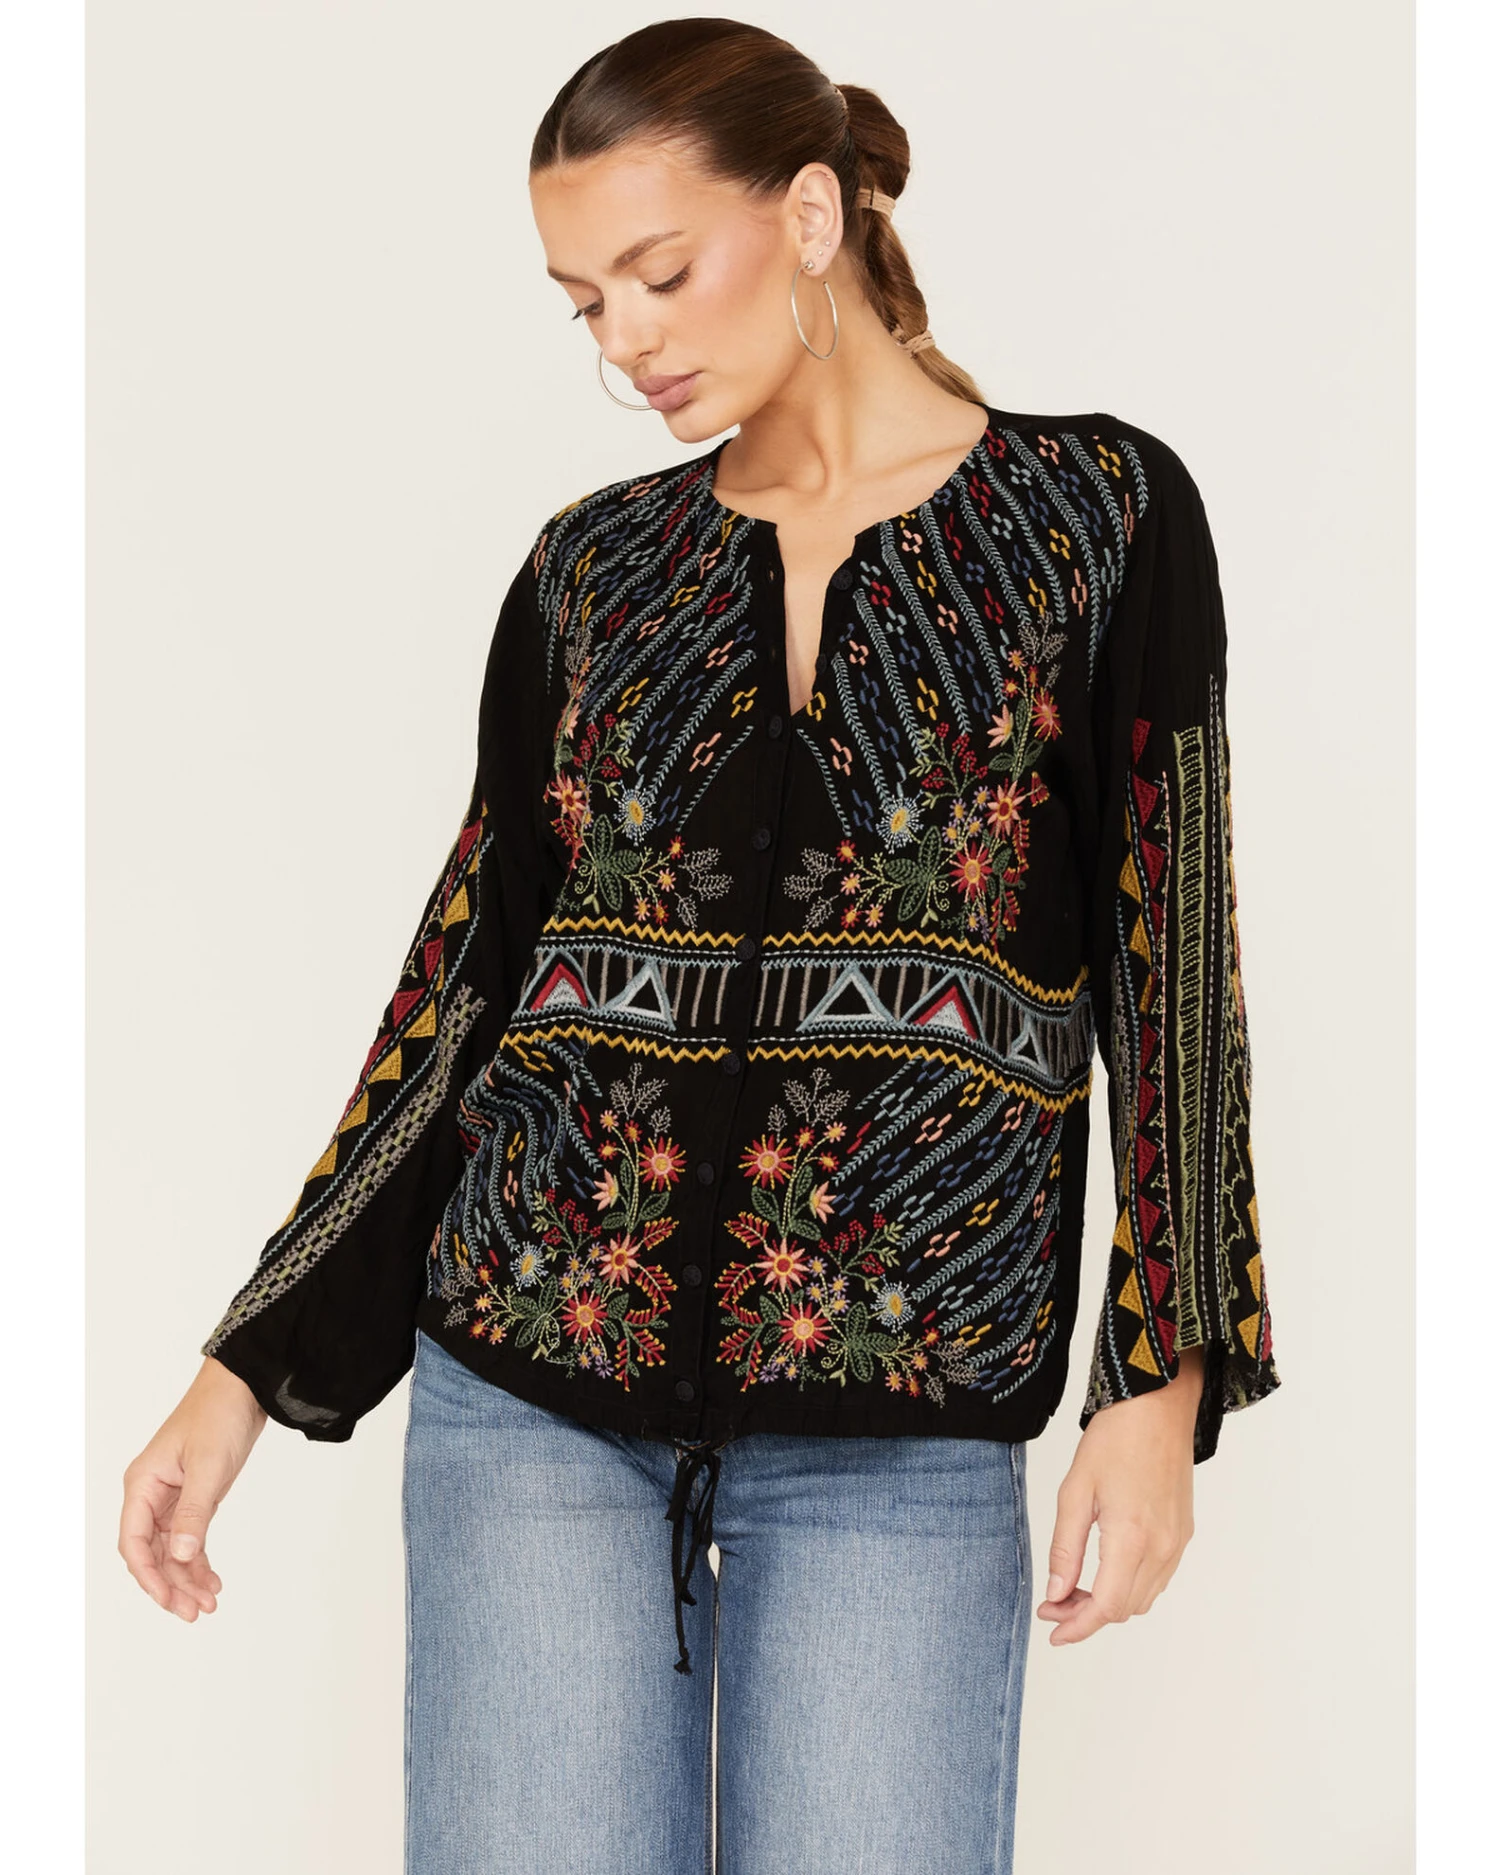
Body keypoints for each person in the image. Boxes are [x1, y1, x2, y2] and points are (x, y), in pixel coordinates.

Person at [118, 18, 1280, 1873]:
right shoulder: (591, 573)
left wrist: (1163, 1376)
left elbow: (1175, 966)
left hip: (907, 1415)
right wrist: (247, 1363)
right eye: (586, 303)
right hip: (532, 1400)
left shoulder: (1100, 518)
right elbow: (467, 987)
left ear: (810, 215)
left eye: (659, 274)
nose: (628, 341)